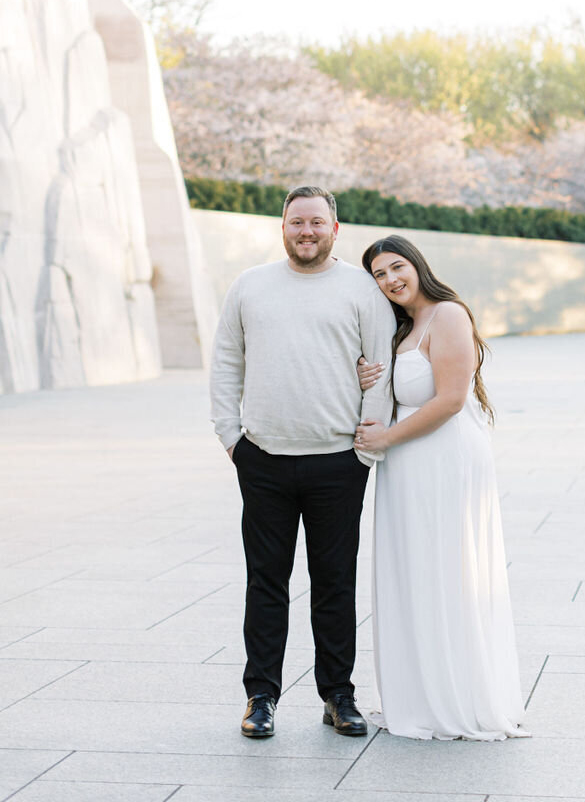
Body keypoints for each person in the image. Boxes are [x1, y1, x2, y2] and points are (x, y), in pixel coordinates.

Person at [209, 185, 396, 741]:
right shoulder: (251, 285)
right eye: (297, 222)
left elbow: (380, 367)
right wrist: (231, 438)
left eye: (317, 222)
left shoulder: (362, 290)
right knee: (265, 582)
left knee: (335, 583)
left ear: (335, 230)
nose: (306, 231)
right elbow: (225, 360)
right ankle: (260, 696)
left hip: (338, 462)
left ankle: (338, 694)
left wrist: (363, 450)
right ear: (283, 227)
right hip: (263, 460)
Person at [353, 235, 527, 741]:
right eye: (379, 276)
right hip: (407, 463)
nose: (390, 280)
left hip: (442, 459)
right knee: (415, 572)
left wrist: (384, 436)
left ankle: (457, 698)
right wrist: (370, 374)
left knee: (446, 571)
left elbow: (450, 399)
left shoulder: (448, 314)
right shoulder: (403, 326)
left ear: (418, 265)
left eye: (396, 267)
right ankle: (423, 693)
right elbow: (400, 387)